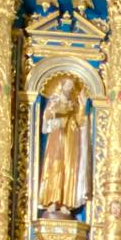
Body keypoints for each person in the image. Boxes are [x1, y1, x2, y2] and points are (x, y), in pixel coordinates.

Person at [38, 76, 91, 214]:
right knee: (55, 165)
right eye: (68, 85)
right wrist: (60, 111)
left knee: (69, 167)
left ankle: (66, 203)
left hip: (71, 137)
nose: (70, 88)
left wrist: (83, 106)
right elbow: (47, 115)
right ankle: (52, 201)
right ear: (62, 86)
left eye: (72, 86)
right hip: (57, 135)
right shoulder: (55, 100)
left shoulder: (74, 103)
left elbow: (80, 121)